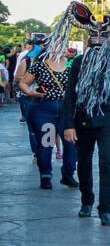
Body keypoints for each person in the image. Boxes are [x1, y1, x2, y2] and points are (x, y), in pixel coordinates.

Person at [62, 11, 110, 226]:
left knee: (107, 163)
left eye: (103, 32)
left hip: (108, 120)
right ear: (88, 37)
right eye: (94, 32)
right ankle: (87, 201)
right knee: (83, 162)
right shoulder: (79, 62)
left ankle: (105, 209)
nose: (98, 36)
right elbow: (70, 95)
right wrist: (68, 125)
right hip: (83, 120)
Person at [18, 27, 77, 190]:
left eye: (62, 44)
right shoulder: (39, 66)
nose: (61, 47)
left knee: (71, 143)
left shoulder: (73, 65)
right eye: (57, 44)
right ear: (49, 47)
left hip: (67, 111)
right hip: (44, 109)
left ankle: (68, 174)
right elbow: (23, 82)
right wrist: (30, 92)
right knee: (47, 143)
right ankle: (46, 175)